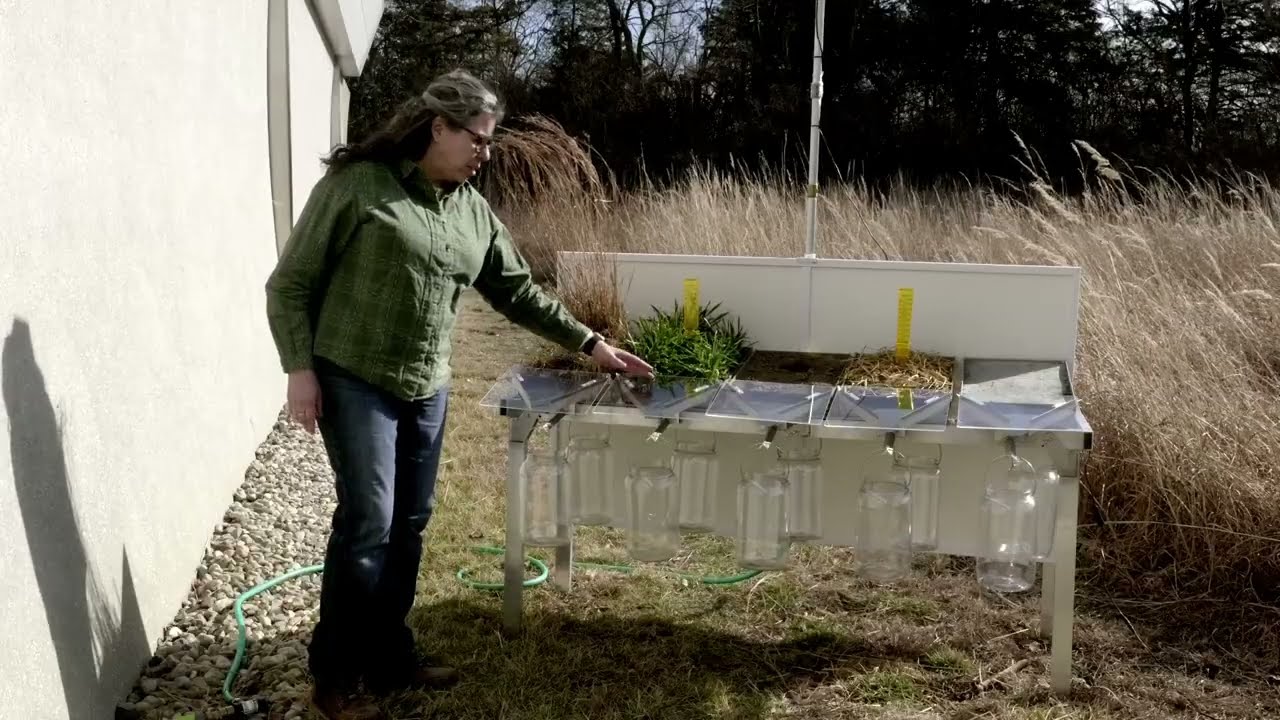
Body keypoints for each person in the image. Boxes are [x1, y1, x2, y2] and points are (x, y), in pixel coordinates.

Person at [264, 69, 653, 719]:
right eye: (477, 138)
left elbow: (517, 292)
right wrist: (298, 369)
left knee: (410, 526)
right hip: (354, 375)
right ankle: (335, 673)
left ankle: (389, 654)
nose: (486, 153)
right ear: (437, 127)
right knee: (370, 520)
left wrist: (591, 343)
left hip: (426, 387)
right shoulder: (358, 186)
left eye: (490, 142)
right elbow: (291, 284)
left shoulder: (473, 211)